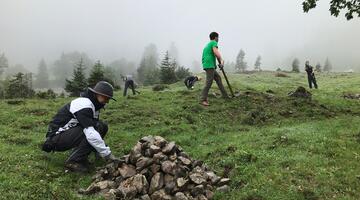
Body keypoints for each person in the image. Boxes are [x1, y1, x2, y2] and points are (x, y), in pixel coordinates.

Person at [41, 81, 121, 172]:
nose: (107, 101)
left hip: (67, 133)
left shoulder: (94, 105)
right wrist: (107, 155)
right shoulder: (84, 104)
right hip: (55, 138)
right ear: (96, 94)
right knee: (91, 132)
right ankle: (73, 161)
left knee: (102, 126)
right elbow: (91, 133)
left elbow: (95, 128)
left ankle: (82, 157)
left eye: (108, 98)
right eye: (106, 98)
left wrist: (101, 149)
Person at [200, 32, 228, 106]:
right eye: (218, 37)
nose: (218, 39)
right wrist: (221, 61)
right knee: (209, 82)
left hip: (208, 64)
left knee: (218, 78)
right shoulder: (213, 43)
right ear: (215, 37)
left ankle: (225, 95)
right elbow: (216, 53)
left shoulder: (207, 45)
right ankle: (203, 99)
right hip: (209, 65)